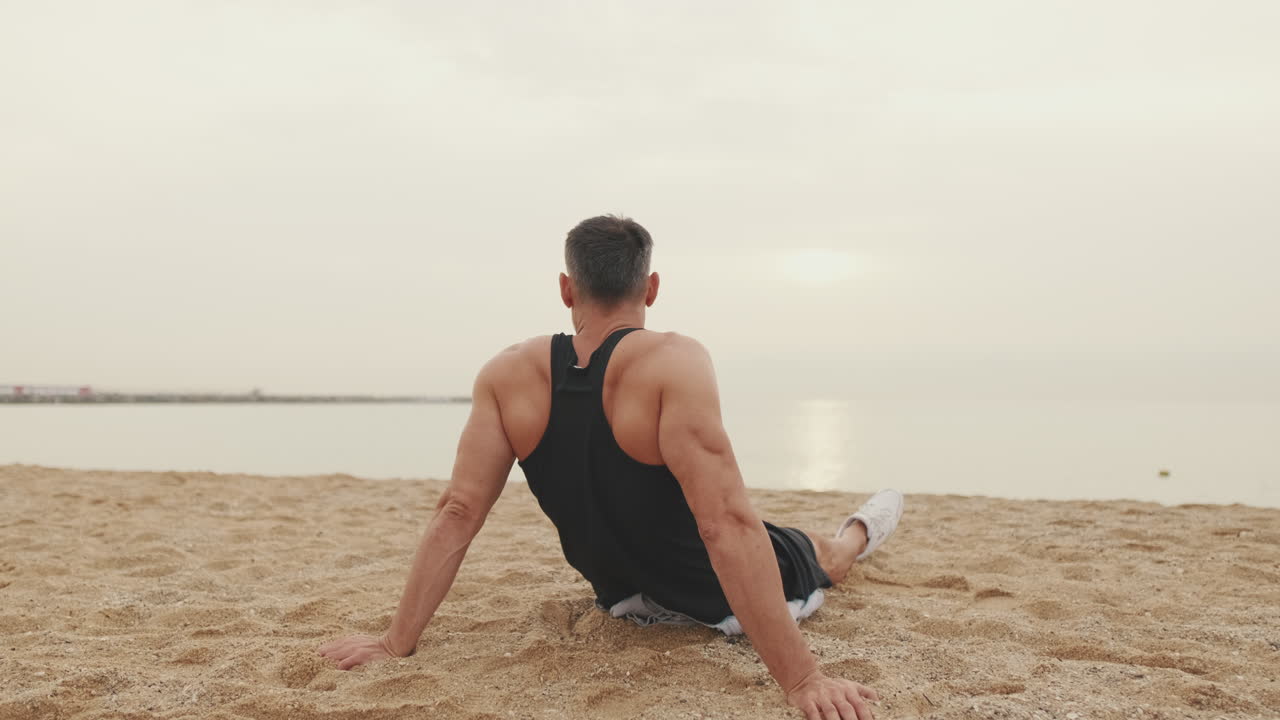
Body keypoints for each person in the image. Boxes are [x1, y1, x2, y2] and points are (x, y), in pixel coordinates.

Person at [319, 215, 904, 720]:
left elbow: (459, 510)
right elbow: (724, 523)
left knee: (770, 534)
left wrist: (396, 644)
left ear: (566, 289)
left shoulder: (505, 374)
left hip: (625, 598)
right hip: (713, 600)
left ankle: (862, 525)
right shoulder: (675, 362)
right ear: (650, 287)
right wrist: (804, 681)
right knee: (820, 555)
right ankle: (858, 532)